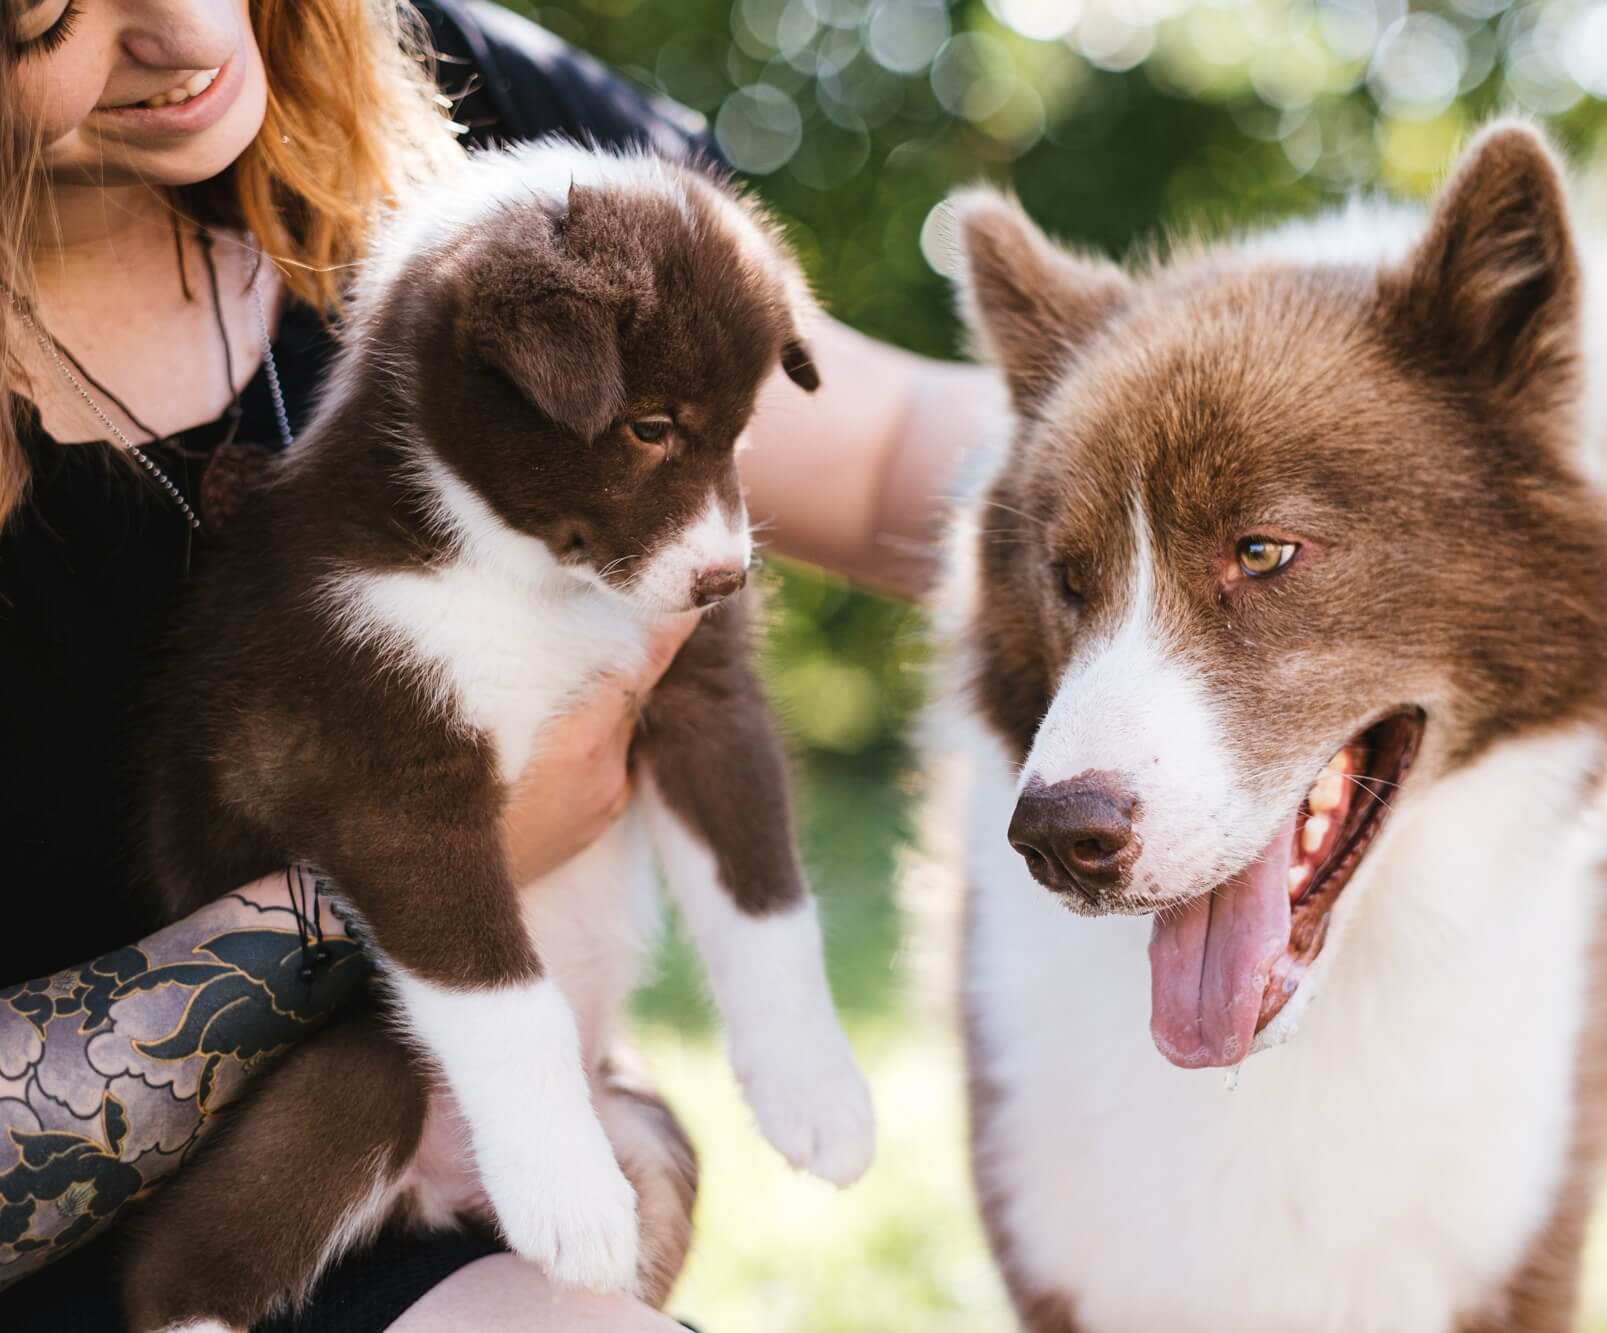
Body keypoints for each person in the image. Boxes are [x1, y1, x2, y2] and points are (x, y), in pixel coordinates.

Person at [0, 0, 997, 1328]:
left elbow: (883, 453)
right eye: (55, 17)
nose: (187, 31)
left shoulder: (471, 107)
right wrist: (378, 891)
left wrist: (1222, 494)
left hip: (457, 1190)